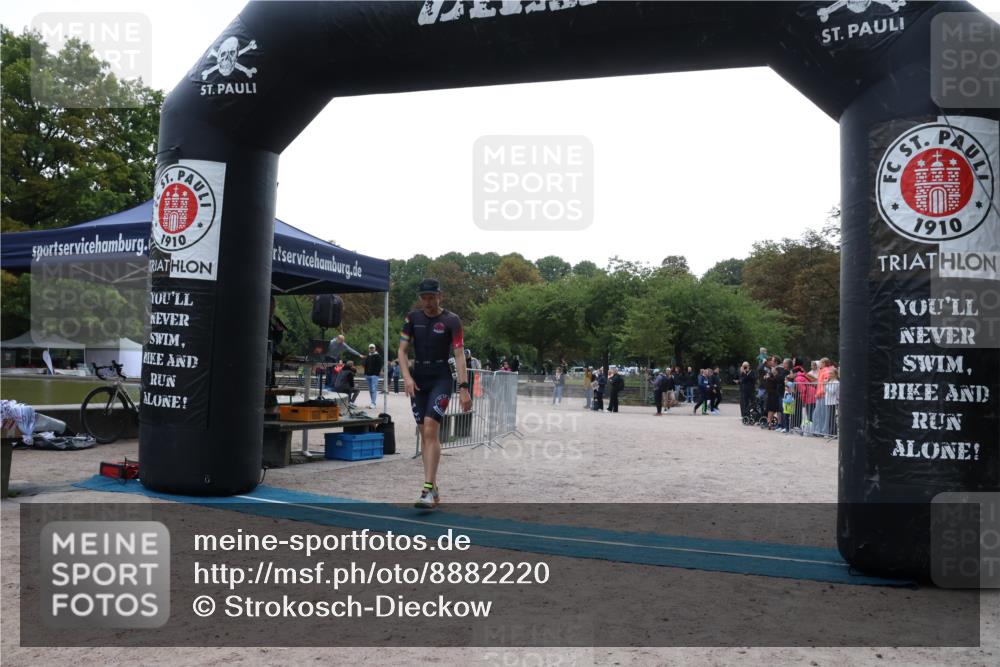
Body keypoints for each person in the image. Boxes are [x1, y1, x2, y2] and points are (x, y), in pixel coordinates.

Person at [399, 278, 471, 510]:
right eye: (424, 297)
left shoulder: (452, 320)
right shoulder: (412, 318)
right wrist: (407, 378)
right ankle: (434, 486)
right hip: (419, 377)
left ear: (440, 296)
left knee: (431, 427)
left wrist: (463, 387)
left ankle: (427, 489)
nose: (428, 302)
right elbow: (401, 351)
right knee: (426, 433)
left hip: (441, 377)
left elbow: (459, 354)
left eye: (432, 297)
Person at [363, 343, 383, 409]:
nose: (371, 349)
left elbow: (379, 366)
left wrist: (376, 373)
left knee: (374, 389)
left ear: (375, 348)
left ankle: (373, 403)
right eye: (370, 348)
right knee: (370, 390)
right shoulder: (368, 356)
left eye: (372, 348)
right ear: (369, 349)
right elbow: (365, 365)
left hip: (374, 375)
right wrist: (365, 374)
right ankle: (372, 402)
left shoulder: (378, 356)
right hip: (368, 375)